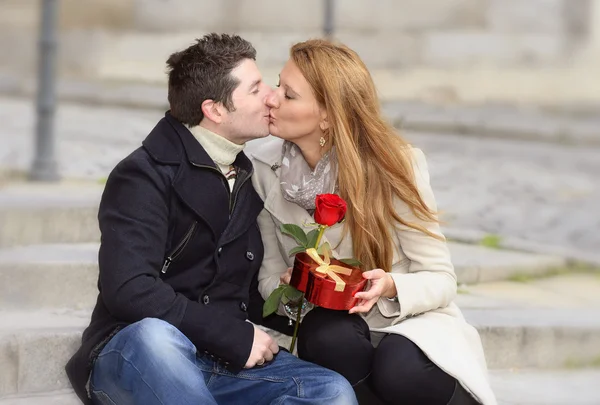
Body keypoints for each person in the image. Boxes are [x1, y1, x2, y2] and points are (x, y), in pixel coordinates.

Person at [65, 33, 357, 405]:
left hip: (219, 362)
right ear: (215, 110)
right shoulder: (144, 174)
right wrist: (230, 335)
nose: (271, 96)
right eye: (255, 89)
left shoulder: (247, 174)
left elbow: (234, 288)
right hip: (138, 353)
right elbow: (129, 288)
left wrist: (292, 295)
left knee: (329, 391)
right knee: (155, 338)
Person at [251, 39, 497, 405]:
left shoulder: (397, 165)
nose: (271, 98)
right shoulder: (262, 167)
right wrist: (291, 289)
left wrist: (390, 286)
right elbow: (268, 279)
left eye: (288, 95)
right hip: (335, 329)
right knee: (326, 336)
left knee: (399, 367)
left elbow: (442, 279)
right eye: (277, 85)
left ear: (327, 116)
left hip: (407, 324)